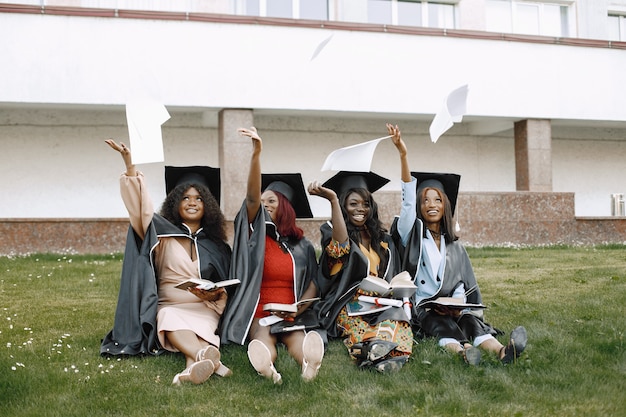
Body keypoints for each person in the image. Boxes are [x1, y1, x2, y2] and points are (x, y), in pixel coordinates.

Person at [387, 123, 527, 365]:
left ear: (445, 206)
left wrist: (457, 304)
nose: (431, 204)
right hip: (424, 308)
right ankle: (463, 352)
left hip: (451, 306)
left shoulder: (454, 246)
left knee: (470, 322)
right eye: (425, 200)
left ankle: (503, 350)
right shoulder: (411, 236)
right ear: (420, 206)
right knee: (440, 325)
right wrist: (403, 154)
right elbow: (407, 204)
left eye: (438, 200)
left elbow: (462, 281)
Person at [100, 139, 233, 385]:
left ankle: (192, 368)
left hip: (204, 308)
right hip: (169, 304)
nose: (192, 202)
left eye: (199, 198)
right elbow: (139, 208)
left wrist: (214, 295)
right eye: (185, 198)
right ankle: (208, 359)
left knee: (203, 327)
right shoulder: (160, 232)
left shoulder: (217, 245)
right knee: (169, 316)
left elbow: (225, 285)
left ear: (208, 206)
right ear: (175, 203)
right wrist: (130, 166)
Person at [220, 127, 324, 384]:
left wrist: (300, 310)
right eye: (262, 202)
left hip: (291, 313)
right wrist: (257, 154)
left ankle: (309, 364)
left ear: (285, 208)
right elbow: (252, 197)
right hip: (259, 311)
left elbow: (313, 281)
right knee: (263, 335)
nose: (264, 205)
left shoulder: (302, 246)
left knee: (296, 338)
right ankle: (267, 366)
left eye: (272, 202)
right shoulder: (253, 238)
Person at [308, 170, 413, 372]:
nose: (360, 209)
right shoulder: (332, 233)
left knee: (399, 321)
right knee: (361, 328)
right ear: (344, 206)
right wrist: (332, 200)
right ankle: (374, 351)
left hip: (380, 302)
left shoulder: (382, 239)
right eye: (353, 204)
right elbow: (340, 247)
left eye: (365, 204)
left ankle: (376, 355)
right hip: (349, 305)